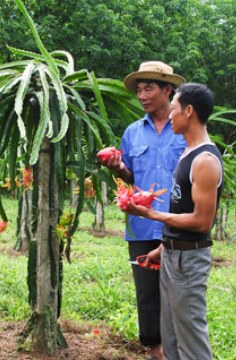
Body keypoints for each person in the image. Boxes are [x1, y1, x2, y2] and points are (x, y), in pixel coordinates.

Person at [126, 83, 223, 360]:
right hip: (173, 254)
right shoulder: (186, 154)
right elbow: (182, 205)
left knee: (191, 340)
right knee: (170, 339)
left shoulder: (204, 159)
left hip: (189, 262)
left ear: (189, 111)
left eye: (175, 110)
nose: (170, 116)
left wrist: (152, 215)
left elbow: (202, 221)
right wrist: (164, 246)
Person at [98, 61, 186, 360]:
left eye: (149, 88)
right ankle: (155, 352)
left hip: (178, 223)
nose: (143, 95)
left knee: (178, 294)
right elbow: (131, 175)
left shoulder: (185, 130)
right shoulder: (133, 133)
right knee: (147, 294)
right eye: (139, 90)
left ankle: (179, 350)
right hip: (141, 225)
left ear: (167, 90)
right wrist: (118, 167)